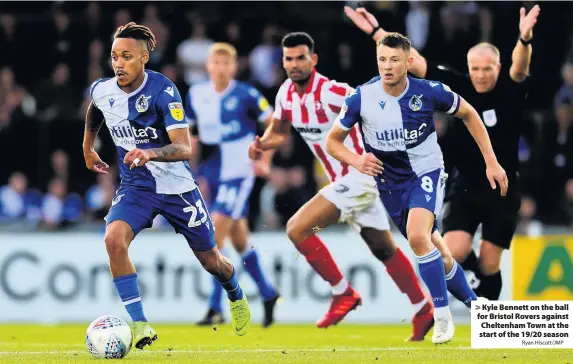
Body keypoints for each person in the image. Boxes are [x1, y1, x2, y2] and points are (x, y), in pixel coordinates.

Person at [249, 32, 435, 342]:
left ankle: (343, 292)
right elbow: (279, 131)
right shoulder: (286, 94)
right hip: (346, 180)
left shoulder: (333, 92)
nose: (295, 64)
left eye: (301, 58)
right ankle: (422, 308)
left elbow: (373, 104)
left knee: (297, 228)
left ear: (314, 59)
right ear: (283, 62)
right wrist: (262, 143)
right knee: (382, 247)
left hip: (362, 174)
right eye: (289, 59)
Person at [345, 4, 540, 300]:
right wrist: (376, 32)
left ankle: (487, 316)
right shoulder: (458, 85)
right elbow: (412, 60)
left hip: (501, 188)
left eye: (487, 68)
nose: (481, 75)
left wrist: (524, 39)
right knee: (454, 250)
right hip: (465, 186)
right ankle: (474, 295)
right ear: (468, 66)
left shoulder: (509, 88)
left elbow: (520, 67)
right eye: (475, 68)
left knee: (489, 264)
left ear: (497, 68)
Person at [325, 32, 507, 344]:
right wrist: (356, 160)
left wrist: (491, 160)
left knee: (418, 236)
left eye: (394, 60)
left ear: (409, 62)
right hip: (389, 184)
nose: (387, 66)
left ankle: (442, 317)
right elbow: (332, 142)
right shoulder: (361, 97)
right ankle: (479, 310)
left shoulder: (430, 91)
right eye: (382, 59)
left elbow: (469, 113)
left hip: (426, 171)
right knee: (442, 256)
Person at [82, 23, 251, 349]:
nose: (118, 63)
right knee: (113, 239)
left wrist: (150, 152)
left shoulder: (163, 91)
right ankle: (141, 324)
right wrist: (88, 148)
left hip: (178, 189)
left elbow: (184, 147)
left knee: (212, 262)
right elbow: (95, 109)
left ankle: (235, 291)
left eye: (127, 56)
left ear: (144, 57)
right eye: (114, 56)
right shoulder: (104, 89)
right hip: (137, 188)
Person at [184, 43, 280, 327]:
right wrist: (192, 171)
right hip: (213, 172)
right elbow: (192, 136)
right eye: (217, 62)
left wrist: (266, 159)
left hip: (239, 172)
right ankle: (268, 292)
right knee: (238, 240)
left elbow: (275, 123)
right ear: (208, 66)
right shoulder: (196, 94)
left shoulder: (246, 94)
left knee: (214, 235)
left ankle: (216, 307)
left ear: (235, 67)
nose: (222, 68)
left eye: (228, 63)